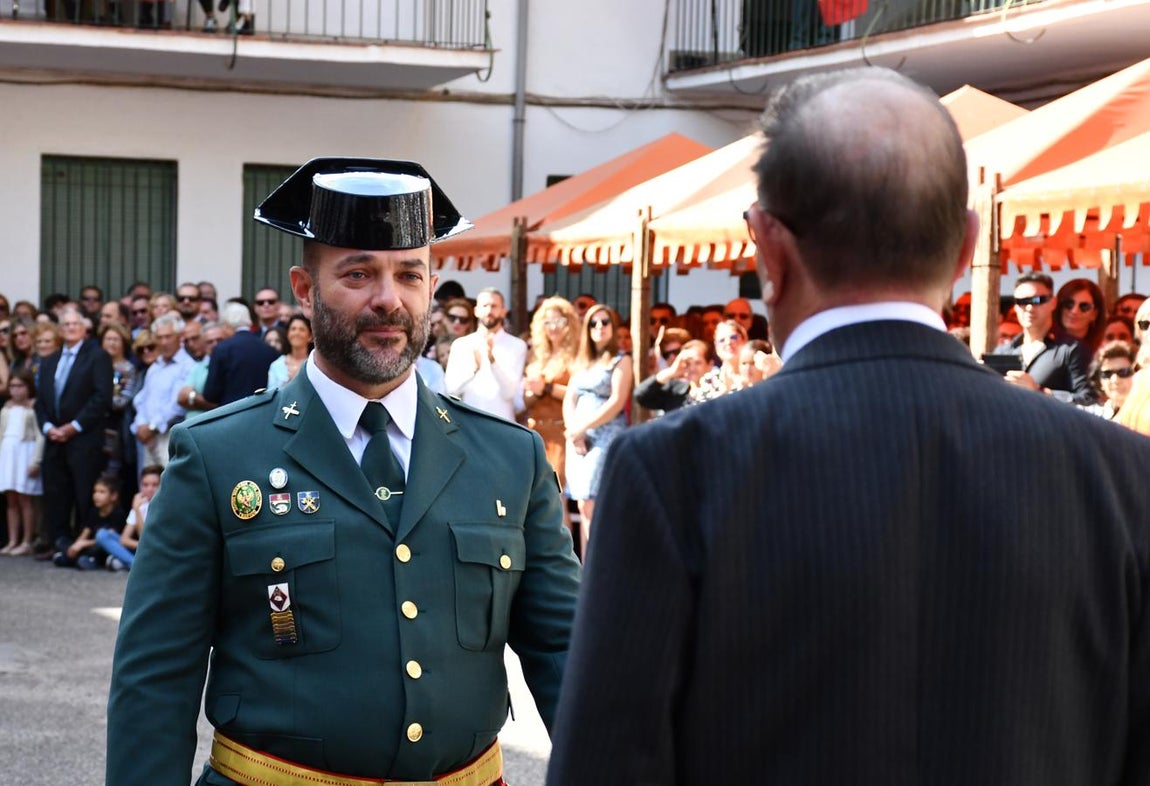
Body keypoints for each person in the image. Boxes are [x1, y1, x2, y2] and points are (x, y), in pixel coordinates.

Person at [546, 67, 1150, 786]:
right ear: (966, 248)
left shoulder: (672, 472)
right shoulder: (1125, 477)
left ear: (767, 248)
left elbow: (607, 765)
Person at [108, 157, 580, 786]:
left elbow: (568, 655)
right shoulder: (219, 455)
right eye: (358, 273)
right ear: (305, 289)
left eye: (410, 274)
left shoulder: (509, 458)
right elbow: (155, 678)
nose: (389, 299)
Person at [33, 307, 113, 556]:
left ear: (83, 327)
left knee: (83, 491)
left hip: (83, 438)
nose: (70, 328)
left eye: (74, 324)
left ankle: (83, 545)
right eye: (65, 324)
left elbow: (102, 397)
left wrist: (74, 426)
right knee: (56, 492)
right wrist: (48, 427)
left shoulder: (97, 356)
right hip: (54, 438)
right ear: (60, 329)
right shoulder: (49, 361)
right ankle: (59, 542)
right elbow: (41, 402)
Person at [562, 303, 632, 556]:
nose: (599, 327)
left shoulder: (621, 361)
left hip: (606, 434)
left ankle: (598, 567)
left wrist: (582, 428)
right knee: (582, 504)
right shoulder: (582, 364)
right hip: (578, 438)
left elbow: (616, 401)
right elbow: (569, 399)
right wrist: (573, 431)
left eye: (605, 322)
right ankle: (584, 569)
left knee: (593, 502)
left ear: (614, 327)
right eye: (593, 323)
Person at [995, 272, 1095, 404]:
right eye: (1023, 302)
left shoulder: (1072, 349)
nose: (1029, 308)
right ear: (1015, 307)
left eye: (1037, 300)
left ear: (1053, 303)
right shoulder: (1003, 352)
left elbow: (1089, 400)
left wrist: (1039, 392)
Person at [521, 296, 579, 511]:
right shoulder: (536, 356)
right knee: (535, 500)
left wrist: (546, 387)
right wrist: (533, 391)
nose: (553, 328)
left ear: (569, 324)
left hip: (559, 431)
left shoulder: (576, 355)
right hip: (535, 431)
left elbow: (577, 394)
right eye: (548, 322)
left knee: (557, 498)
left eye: (559, 322)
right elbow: (526, 399)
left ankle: (566, 546)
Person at [444, 288, 528, 421]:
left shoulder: (517, 345)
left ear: (503, 311)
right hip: (470, 425)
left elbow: (510, 393)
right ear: (476, 311)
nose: (489, 311)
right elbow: (451, 390)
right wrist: (473, 370)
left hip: (503, 424)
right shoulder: (461, 345)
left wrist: (492, 361)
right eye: (485, 306)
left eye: (494, 306)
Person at [201, 301, 281, 407]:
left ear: (226, 325)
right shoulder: (268, 349)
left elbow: (210, 394)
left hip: (230, 413)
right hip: (261, 411)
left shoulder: (222, 349)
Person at [0, 370, 43, 556]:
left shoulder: (32, 408)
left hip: (25, 452)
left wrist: (36, 460)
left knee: (25, 499)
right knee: (11, 499)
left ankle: (27, 540)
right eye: (12, 386)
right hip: (8, 453)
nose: (15, 391)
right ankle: (12, 539)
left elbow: (40, 436)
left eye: (20, 386)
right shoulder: (6, 408)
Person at [96, 462, 162, 571]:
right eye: (145, 485)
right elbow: (124, 539)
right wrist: (136, 509)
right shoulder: (141, 503)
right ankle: (135, 565)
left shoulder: (165, 505)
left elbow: (147, 538)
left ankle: (131, 565)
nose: (150, 489)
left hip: (160, 552)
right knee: (102, 535)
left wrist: (136, 510)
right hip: (143, 549)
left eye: (155, 485)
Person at [52, 473, 125, 570]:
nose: (96, 496)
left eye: (102, 492)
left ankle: (79, 559)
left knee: (97, 549)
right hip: (88, 546)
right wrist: (75, 546)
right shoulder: (94, 512)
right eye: (95, 492)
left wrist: (83, 544)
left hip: (102, 548)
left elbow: (108, 539)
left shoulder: (118, 514)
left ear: (113, 496)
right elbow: (85, 532)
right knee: (61, 542)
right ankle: (77, 558)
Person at [266, 313, 313, 389]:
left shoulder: (314, 365)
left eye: (302, 329)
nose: (297, 333)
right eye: (293, 329)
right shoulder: (277, 365)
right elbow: (271, 394)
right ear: (288, 334)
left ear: (310, 336)